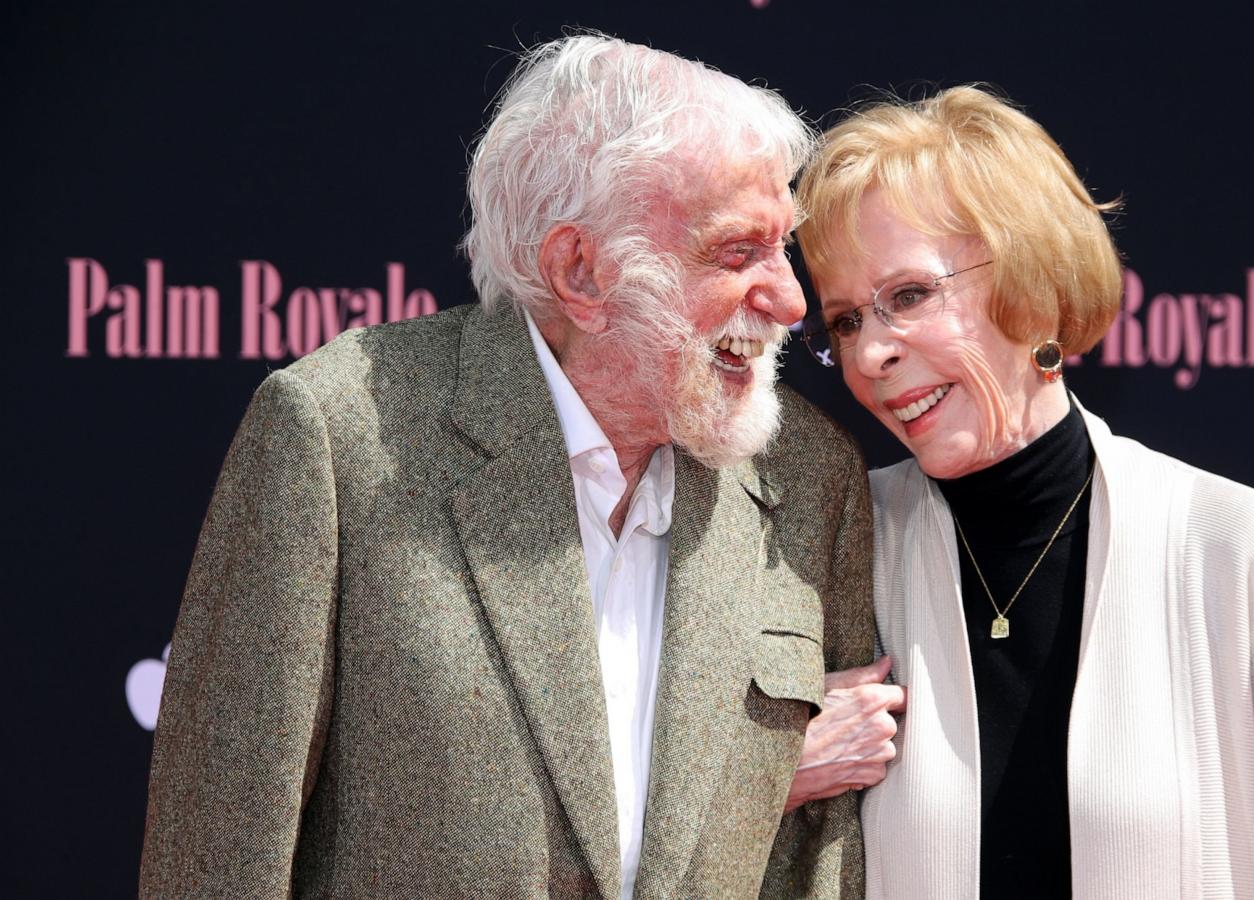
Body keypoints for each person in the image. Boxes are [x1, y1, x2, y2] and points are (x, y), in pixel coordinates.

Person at [139, 35, 876, 899]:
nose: (791, 299)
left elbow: (820, 869)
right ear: (581, 272)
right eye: (736, 252)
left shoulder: (810, 476)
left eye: (783, 248)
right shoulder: (339, 439)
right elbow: (219, 858)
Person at [790, 86, 1254, 898]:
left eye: (909, 296)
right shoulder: (838, 547)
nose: (870, 356)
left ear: (1030, 286)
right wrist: (774, 768)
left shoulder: (1235, 548)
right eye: (847, 321)